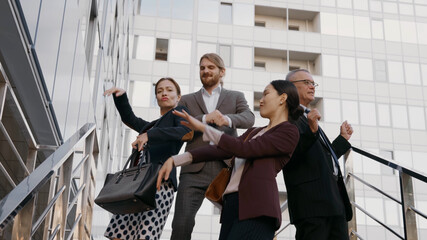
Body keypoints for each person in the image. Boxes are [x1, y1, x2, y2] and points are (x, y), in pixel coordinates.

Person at [157, 80, 303, 240]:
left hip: (257, 208)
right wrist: (176, 160)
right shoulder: (254, 132)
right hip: (232, 206)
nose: (261, 100)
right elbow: (224, 149)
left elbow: (246, 149)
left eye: (266, 94)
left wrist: (203, 127)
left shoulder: (289, 131)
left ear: (282, 98)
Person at [171, 53, 255, 239]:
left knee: (234, 221)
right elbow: (177, 125)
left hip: (225, 168)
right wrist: (203, 119)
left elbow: (249, 118)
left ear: (222, 71)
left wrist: (226, 119)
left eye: (211, 67)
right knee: (181, 223)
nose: (206, 71)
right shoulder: (187, 99)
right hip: (193, 169)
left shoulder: (235, 97)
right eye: (202, 68)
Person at [102, 77, 193, 240]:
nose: (164, 93)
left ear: (178, 96)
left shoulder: (179, 114)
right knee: (119, 235)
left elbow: (184, 131)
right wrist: (121, 97)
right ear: (156, 98)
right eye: (159, 91)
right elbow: (131, 119)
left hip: (159, 183)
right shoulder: (151, 126)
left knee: (145, 235)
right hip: (134, 184)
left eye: (169, 90)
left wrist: (149, 136)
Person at [282, 69, 354, 240]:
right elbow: (289, 154)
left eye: (313, 83)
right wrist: (311, 130)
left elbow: (323, 158)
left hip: (334, 203)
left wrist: (343, 139)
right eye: (306, 82)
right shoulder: (286, 116)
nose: (312, 87)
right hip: (311, 205)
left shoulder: (308, 117)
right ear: (291, 88)